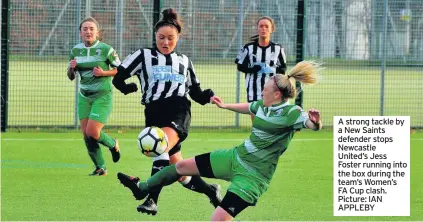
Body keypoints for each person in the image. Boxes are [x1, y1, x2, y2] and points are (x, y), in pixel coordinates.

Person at [117, 61, 323, 221]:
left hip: (253, 178)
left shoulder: (292, 113)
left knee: (218, 220)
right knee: (180, 166)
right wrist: (225, 106)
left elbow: (310, 124)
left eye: (265, 89)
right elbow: (248, 106)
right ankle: (142, 187)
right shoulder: (263, 105)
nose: (262, 91)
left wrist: (316, 122)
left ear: (276, 94)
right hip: (234, 157)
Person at [112, 8, 222, 216]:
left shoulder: (185, 62)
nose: (165, 42)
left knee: (160, 148)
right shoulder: (143, 55)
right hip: (153, 113)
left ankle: (150, 198)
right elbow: (118, 78)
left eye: (170, 38)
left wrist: (208, 96)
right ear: (155, 37)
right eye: (161, 37)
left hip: (178, 110)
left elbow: (196, 92)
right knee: (180, 172)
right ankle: (211, 191)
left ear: (178, 37)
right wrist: (127, 88)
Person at [67, 17, 121, 176]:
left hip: (102, 96)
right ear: (80, 33)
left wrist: (104, 73)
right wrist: (71, 69)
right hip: (84, 96)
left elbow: (121, 69)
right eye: (85, 29)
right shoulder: (75, 51)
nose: (88, 31)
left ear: (97, 32)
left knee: (92, 132)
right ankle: (100, 167)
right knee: (86, 135)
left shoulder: (106, 49)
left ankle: (113, 144)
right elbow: (70, 76)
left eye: (91, 28)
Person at [235, 16, 287, 121]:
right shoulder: (248, 48)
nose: (264, 29)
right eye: (261, 26)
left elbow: (283, 68)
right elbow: (240, 66)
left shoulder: (278, 49)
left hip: (272, 90)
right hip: (253, 89)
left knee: (270, 119)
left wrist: (273, 72)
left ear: (272, 29)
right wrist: (253, 69)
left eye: (266, 26)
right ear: (257, 29)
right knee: (256, 120)